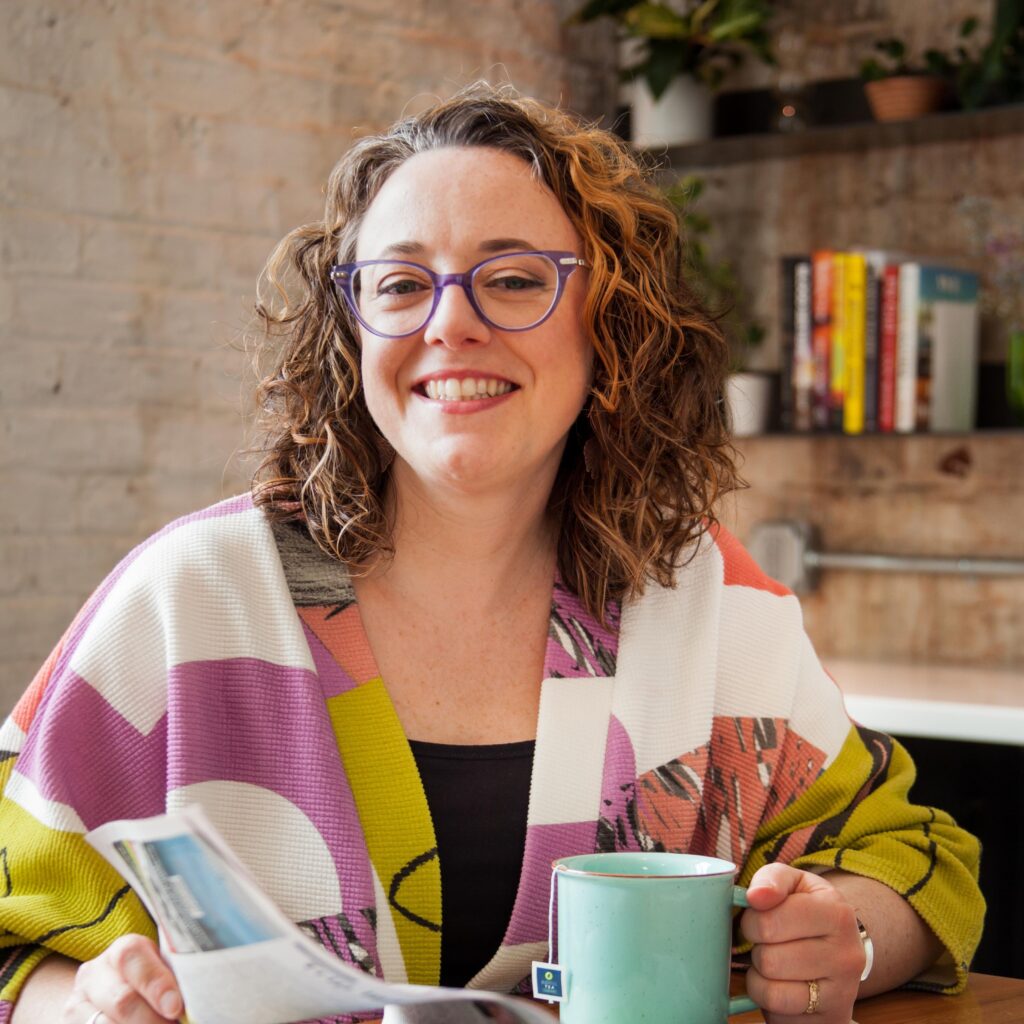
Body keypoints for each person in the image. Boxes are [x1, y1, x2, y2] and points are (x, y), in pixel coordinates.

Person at [1, 83, 982, 1024]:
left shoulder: (711, 599)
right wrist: (83, 1005)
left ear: (610, 324)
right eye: (399, 284)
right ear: (351, 330)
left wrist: (844, 941)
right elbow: (18, 935)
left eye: (513, 279)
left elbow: (911, 859)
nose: (449, 323)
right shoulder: (188, 597)